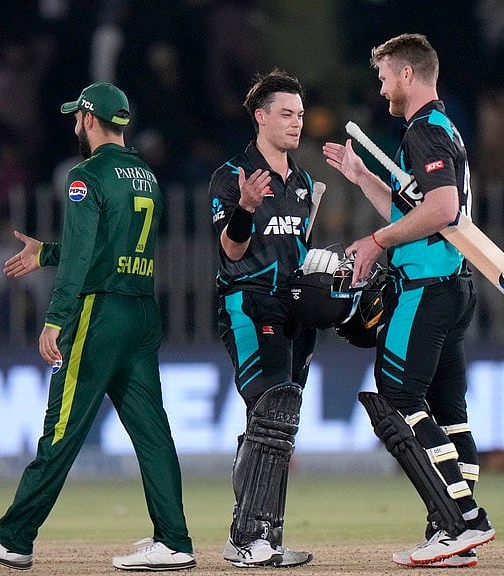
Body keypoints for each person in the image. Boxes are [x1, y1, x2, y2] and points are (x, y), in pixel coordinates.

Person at [0, 82, 196, 572]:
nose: (73, 126)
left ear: (88, 119)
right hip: (141, 312)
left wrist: (54, 318)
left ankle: (14, 538)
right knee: (152, 432)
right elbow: (110, 249)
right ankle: (174, 541)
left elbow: (86, 255)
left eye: (76, 117)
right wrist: (44, 252)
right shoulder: (147, 176)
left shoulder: (85, 175)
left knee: (61, 429)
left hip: (98, 315)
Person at [322, 33, 495, 567]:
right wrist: (362, 176)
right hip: (454, 285)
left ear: (406, 76)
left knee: (397, 397)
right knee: (450, 413)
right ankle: (453, 531)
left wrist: (374, 243)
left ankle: (462, 518)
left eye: (382, 77)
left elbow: (441, 209)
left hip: (426, 288)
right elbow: (413, 211)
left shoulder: (423, 132)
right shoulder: (441, 129)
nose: (380, 87)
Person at [207, 69, 316, 568]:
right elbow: (231, 250)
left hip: (296, 311)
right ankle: (247, 535)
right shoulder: (232, 176)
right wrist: (246, 207)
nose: (297, 123)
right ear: (260, 116)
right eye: (286, 114)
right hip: (249, 305)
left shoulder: (305, 182)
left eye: (299, 114)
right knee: (272, 411)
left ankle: (264, 535)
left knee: (277, 423)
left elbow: (299, 251)